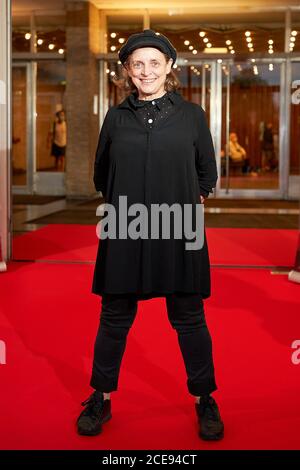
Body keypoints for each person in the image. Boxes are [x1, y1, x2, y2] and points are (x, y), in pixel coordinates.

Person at [76, 29, 224, 441]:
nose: (146, 71)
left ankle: (205, 399)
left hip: (179, 228)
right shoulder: (116, 117)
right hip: (125, 226)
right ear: (126, 70)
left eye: (154, 63)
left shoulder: (192, 116)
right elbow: (101, 173)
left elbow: (206, 173)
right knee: (114, 319)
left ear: (169, 67)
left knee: (190, 320)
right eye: (137, 64)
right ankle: (100, 397)